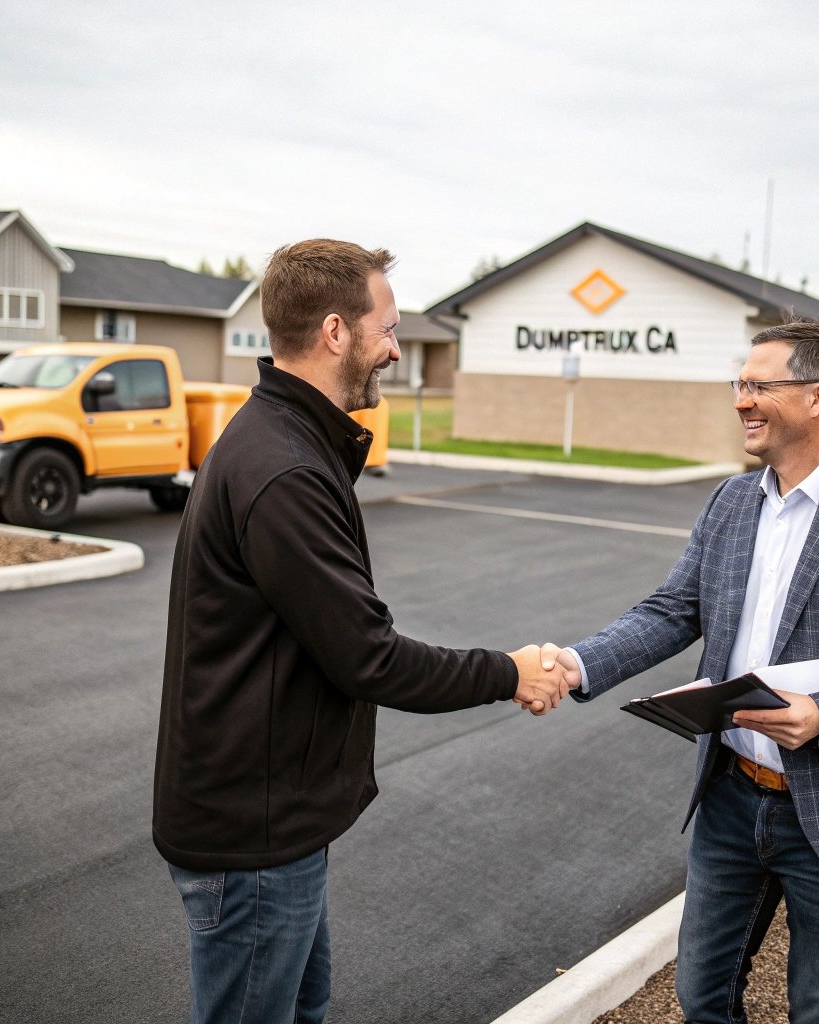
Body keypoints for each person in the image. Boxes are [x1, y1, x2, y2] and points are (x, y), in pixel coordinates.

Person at [153, 238, 574, 1024]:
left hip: (272, 825)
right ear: (337, 331)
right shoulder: (284, 470)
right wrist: (510, 671)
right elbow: (367, 657)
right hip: (252, 837)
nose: (396, 348)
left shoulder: (286, 441)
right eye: (388, 328)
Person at [543, 316, 819, 1024]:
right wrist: (577, 664)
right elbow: (673, 610)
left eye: (759, 385)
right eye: (739, 383)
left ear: (818, 396)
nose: (741, 399)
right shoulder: (732, 501)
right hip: (732, 798)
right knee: (701, 994)